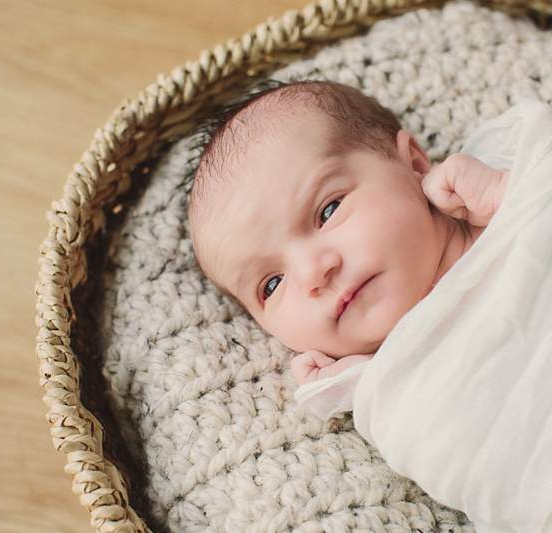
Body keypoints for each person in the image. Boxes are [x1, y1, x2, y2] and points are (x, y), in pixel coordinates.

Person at [188, 79, 508, 386]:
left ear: (415, 164)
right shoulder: (377, 383)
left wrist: (508, 191)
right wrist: (359, 389)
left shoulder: (496, 189)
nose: (313, 274)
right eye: (272, 285)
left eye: (328, 211)